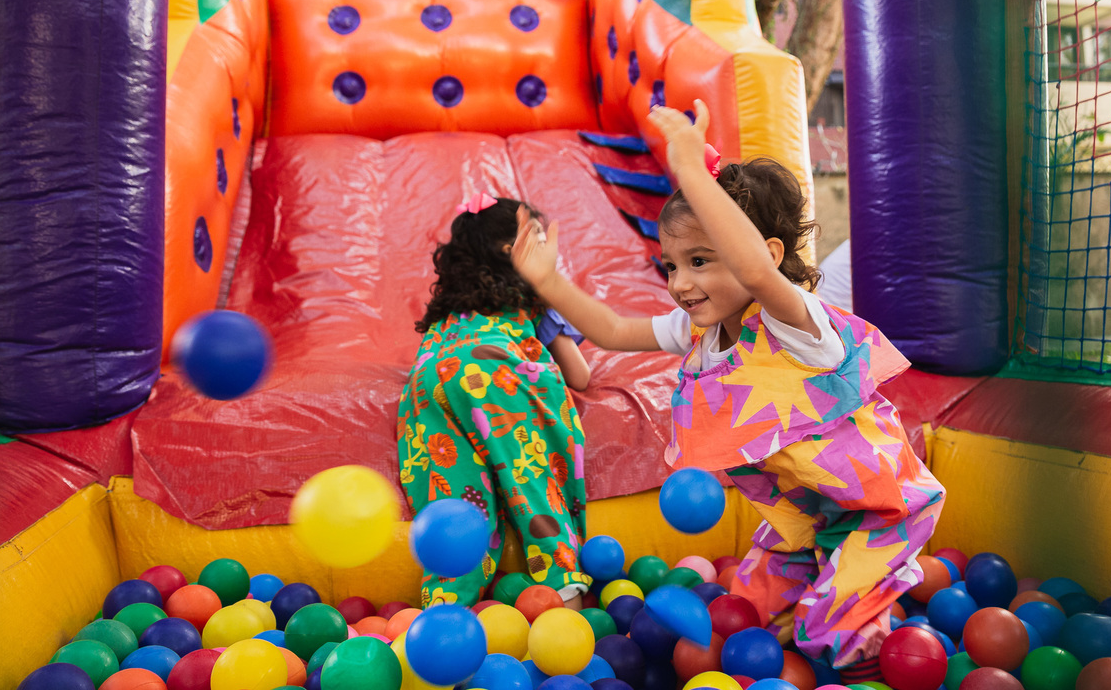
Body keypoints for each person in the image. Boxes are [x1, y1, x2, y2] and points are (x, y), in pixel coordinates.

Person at [511, 101, 945, 679]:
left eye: (698, 261)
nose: (680, 283)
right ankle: (825, 613)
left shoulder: (797, 325)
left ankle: (860, 643)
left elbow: (760, 276)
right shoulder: (704, 330)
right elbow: (612, 330)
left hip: (880, 511)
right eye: (670, 265)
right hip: (806, 514)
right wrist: (549, 282)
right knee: (749, 615)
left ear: (764, 253)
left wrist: (691, 173)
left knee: (827, 630)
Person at [398, 193, 591, 609]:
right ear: (514, 251)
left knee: (454, 500)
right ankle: (565, 595)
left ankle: (447, 608)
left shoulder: (447, 314)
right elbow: (580, 376)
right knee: (532, 477)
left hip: (430, 379)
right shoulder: (533, 302)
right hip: (492, 370)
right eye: (539, 239)